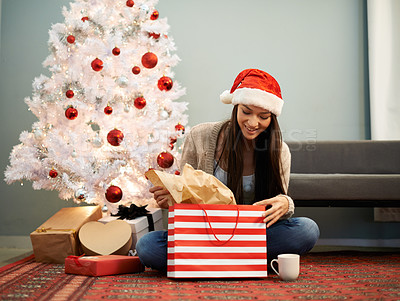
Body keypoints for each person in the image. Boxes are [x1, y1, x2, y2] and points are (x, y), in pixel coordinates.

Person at [136, 68, 320, 272]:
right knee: (147, 246)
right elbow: (184, 199)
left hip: (252, 233)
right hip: (205, 233)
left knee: (307, 230)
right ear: (236, 107)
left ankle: (214, 261)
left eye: (263, 116)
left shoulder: (279, 152)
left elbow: (276, 211)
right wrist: (170, 198)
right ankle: (240, 260)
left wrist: (285, 203)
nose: (252, 123)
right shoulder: (200, 136)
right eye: (246, 112)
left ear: (272, 118)